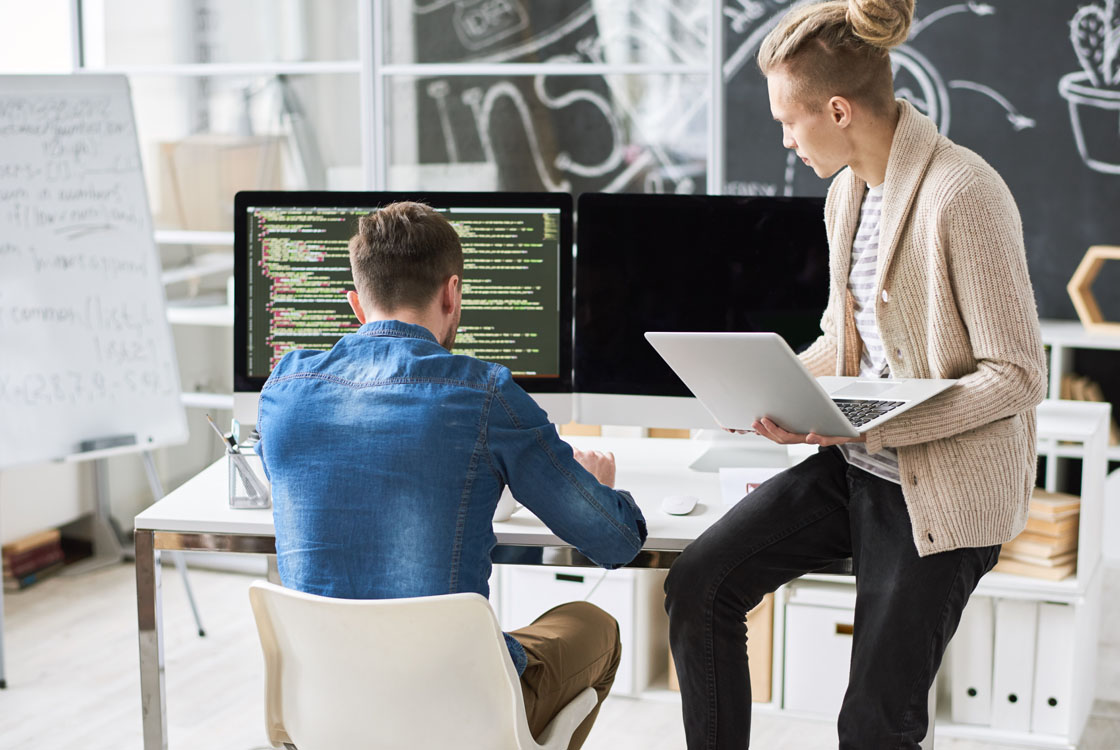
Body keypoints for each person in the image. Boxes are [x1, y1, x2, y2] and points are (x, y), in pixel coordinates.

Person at [664, 1, 1047, 747]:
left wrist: (871, 418)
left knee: (873, 723)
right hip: (855, 469)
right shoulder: (847, 195)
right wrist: (765, 387)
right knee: (700, 583)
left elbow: (1017, 376)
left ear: (837, 110)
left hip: (939, 489)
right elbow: (845, 342)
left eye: (789, 120)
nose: (783, 139)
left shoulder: (964, 193)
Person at [256, 201, 647, 750]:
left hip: (325, 711)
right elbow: (617, 541)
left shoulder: (283, 391)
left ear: (356, 305)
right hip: (452, 715)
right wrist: (597, 486)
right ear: (452, 293)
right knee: (593, 625)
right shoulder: (486, 394)